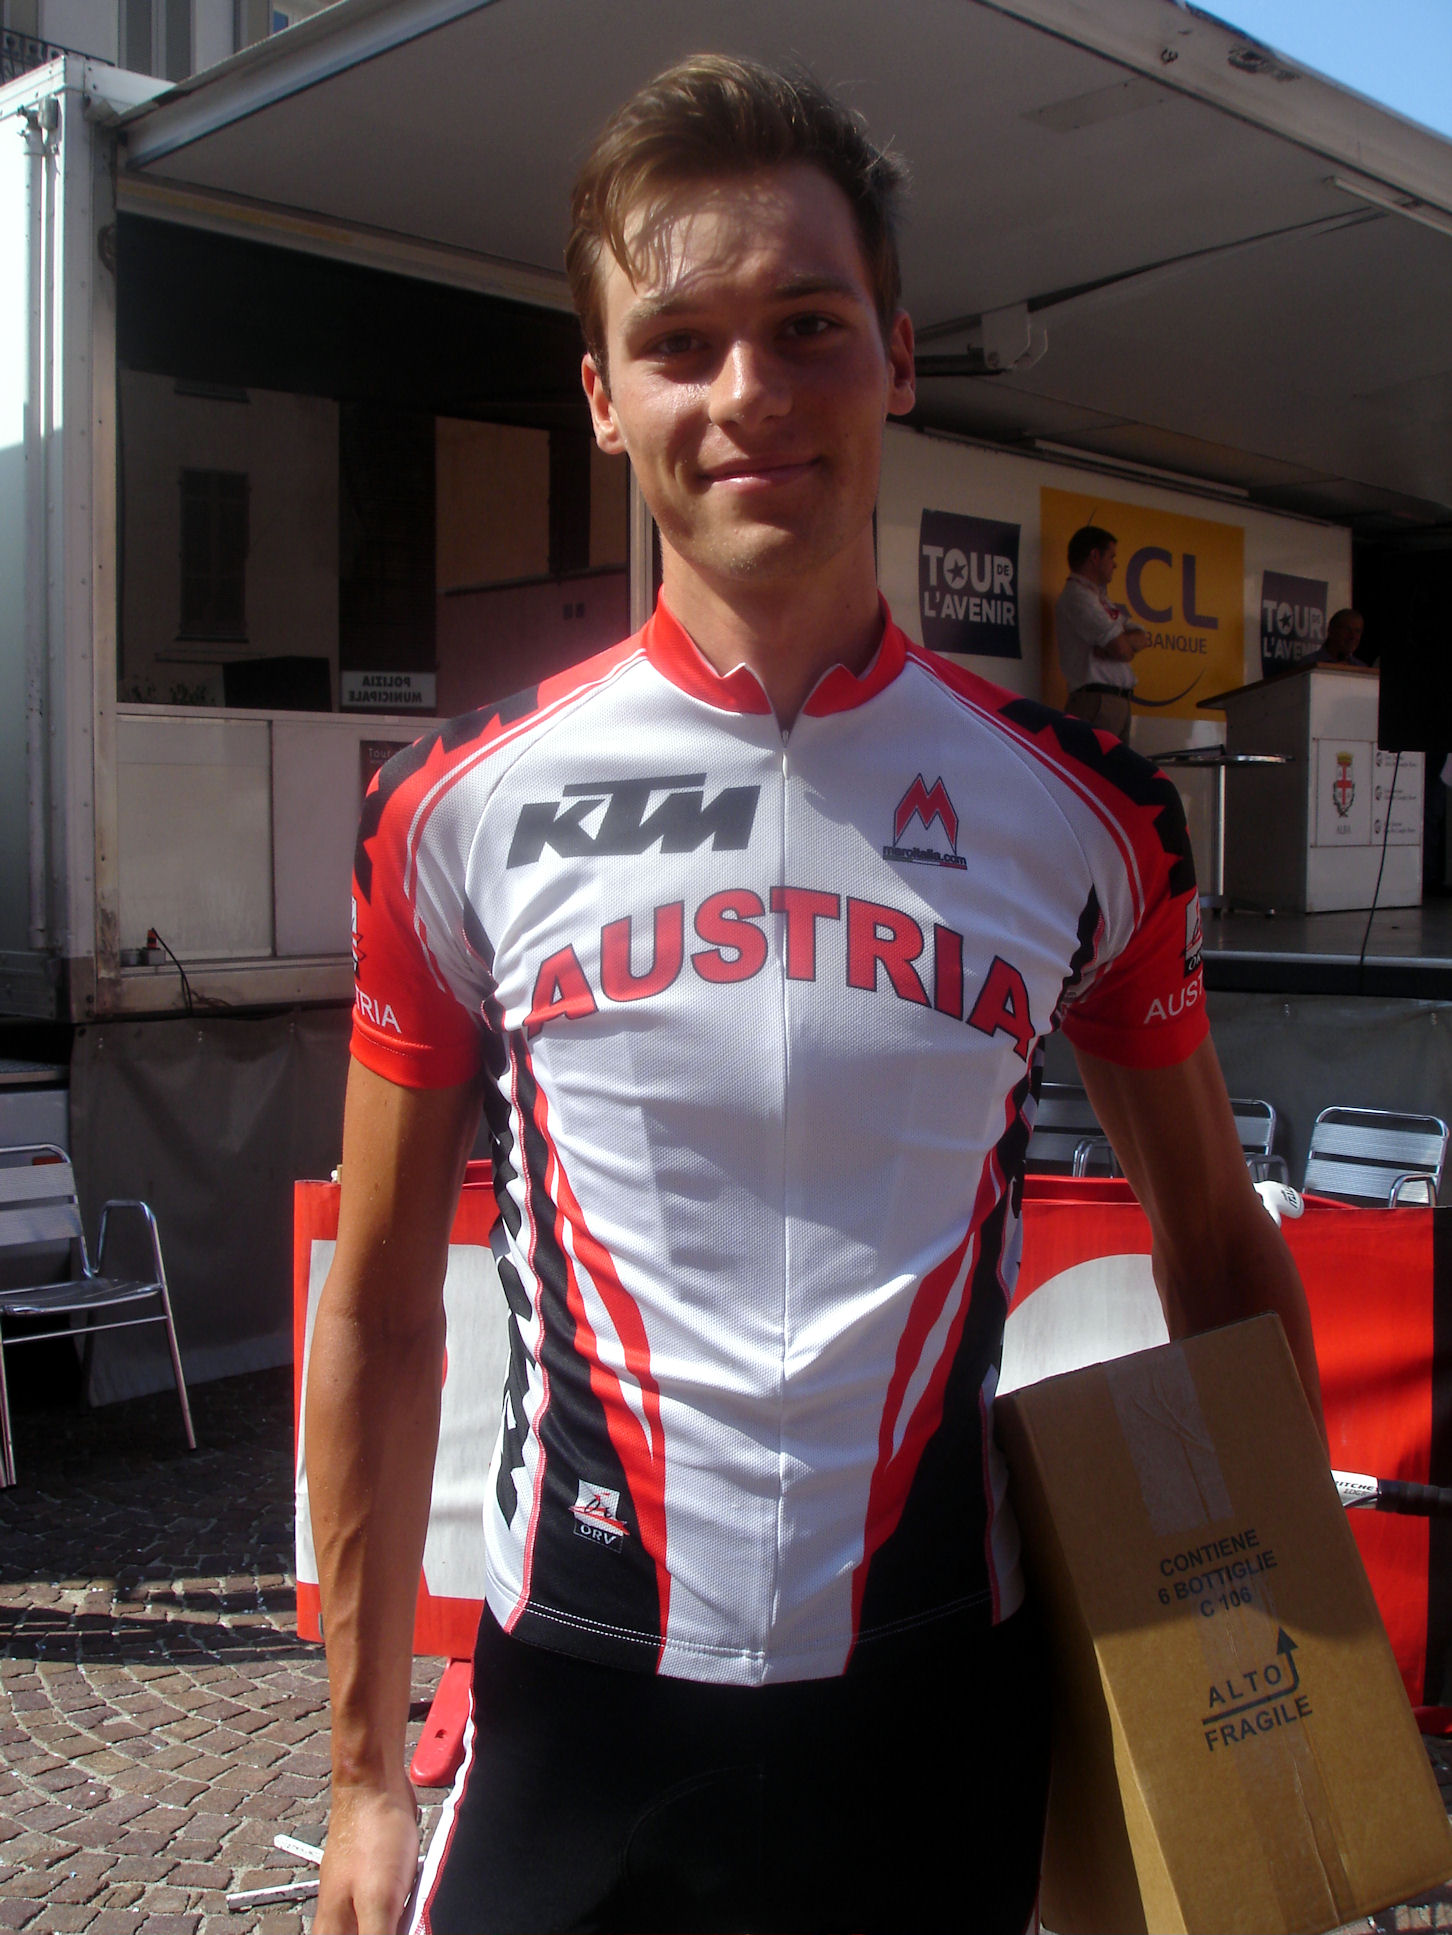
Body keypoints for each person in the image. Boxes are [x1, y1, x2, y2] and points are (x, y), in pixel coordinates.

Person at [309, 56, 1325, 1935]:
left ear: (898, 356)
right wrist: (366, 1774)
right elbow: (374, 1305)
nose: (748, 394)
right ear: (602, 396)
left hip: (939, 1724)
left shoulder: (1086, 812)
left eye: (804, 326)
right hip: (577, 1720)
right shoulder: (452, 809)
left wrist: (1291, 1679)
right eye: (679, 343)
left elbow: (1214, 1247)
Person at [1053, 525, 1152, 742]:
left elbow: (1142, 636)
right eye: (1111, 556)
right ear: (1095, 556)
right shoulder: (1078, 597)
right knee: (1093, 763)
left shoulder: (1098, 598)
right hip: (1097, 702)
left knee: (1116, 765)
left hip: (1113, 702)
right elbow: (1122, 650)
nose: (1115, 564)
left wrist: (1120, 644)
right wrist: (1122, 646)